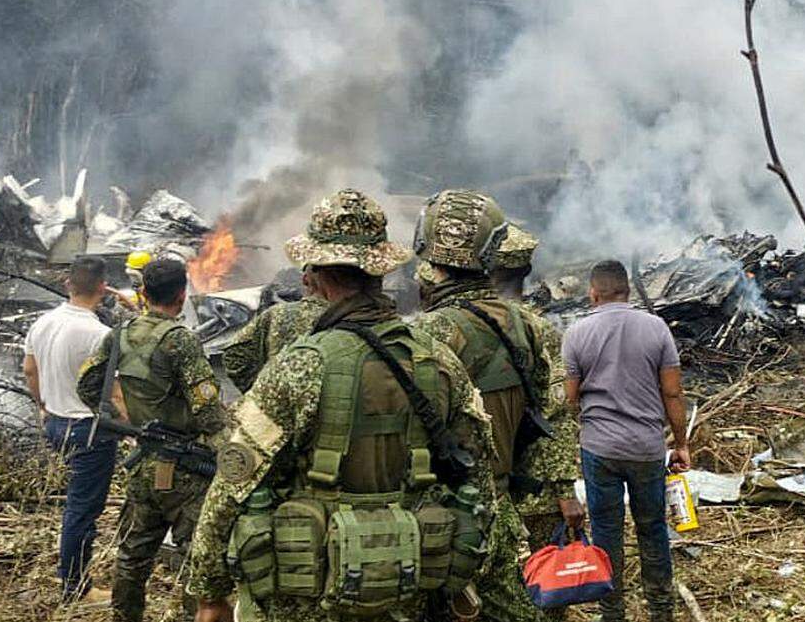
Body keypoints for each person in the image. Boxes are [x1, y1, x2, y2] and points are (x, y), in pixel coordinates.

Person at [186, 189, 498, 622]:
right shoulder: (439, 362)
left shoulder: (299, 366)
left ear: (314, 277)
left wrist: (209, 591)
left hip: (310, 596)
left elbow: (233, 481)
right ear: (382, 273)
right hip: (410, 591)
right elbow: (480, 481)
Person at [412, 191, 582, 622]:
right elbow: (556, 413)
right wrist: (563, 490)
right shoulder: (528, 325)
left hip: (437, 520)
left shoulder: (421, 336)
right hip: (506, 505)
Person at [78, 259, 229, 622]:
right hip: (186, 470)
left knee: (132, 556)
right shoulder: (180, 340)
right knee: (198, 557)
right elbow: (208, 412)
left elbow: (87, 386)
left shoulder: (120, 333)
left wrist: (125, 419)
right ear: (182, 294)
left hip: (143, 460)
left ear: (143, 292)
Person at [562, 260, 689, 622]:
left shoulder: (577, 333)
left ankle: (611, 612)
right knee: (652, 528)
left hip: (599, 450)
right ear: (628, 291)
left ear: (593, 293)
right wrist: (680, 443)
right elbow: (673, 393)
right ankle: (661, 611)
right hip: (646, 449)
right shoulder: (656, 328)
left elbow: (570, 399)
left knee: (605, 531)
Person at [23, 256, 115, 604]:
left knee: (77, 506)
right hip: (89, 432)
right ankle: (77, 588)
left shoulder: (44, 322)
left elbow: (30, 370)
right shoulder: (100, 335)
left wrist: (43, 405)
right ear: (103, 288)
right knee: (82, 510)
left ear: (68, 284)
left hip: (56, 424)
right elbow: (115, 391)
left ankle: (73, 573)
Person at [491, 225, 580, 577]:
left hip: (481, 493)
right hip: (536, 489)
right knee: (546, 584)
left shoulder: (460, 327)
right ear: (526, 271)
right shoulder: (538, 330)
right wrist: (564, 488)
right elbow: (557, 410)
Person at [222, 267, 327, 393]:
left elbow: (234, 355)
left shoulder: (278, 314)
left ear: (305, 280)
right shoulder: (350, 316)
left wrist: (260, 391)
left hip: (280, 403)